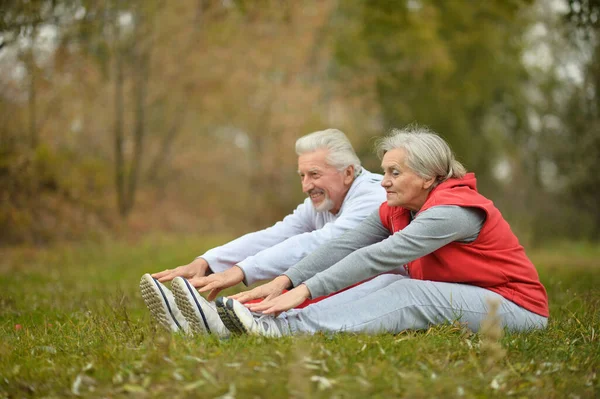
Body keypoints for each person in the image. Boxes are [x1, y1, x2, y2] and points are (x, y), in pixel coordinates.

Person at [214, 125, 549, 337]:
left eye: (394, 172)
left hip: (516, 308)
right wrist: (286, 281)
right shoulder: (397, 209)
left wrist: (306, 290)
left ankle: (282, 327)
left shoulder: (452, 211)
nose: (383, 180)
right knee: (391, 281)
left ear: (428, 177)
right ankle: (257, 319)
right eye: (384, 170)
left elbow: (378, 255)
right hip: (474, 298)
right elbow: (347, 244)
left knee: (409, 293)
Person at [139, 128, 386, 335]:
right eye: (302, 176)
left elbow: (323, 244)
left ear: (348, 173)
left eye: (314, 175)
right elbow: (277, 234)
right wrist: (209, 261)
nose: (306, 186)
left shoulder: (372, 196)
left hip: (378, 287)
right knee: (310, 277)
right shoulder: (326, 200)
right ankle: (199, 321)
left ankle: (220, 319)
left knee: (315, 277)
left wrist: (242, 270)